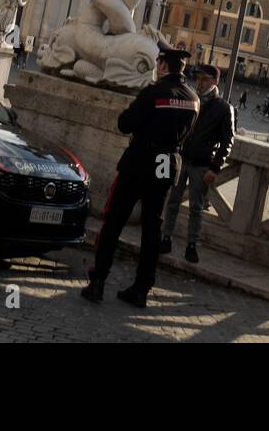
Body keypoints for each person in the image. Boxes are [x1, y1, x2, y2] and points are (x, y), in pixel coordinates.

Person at [82, 45, 199, 308]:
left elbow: (125, 124)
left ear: (163, 65)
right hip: (165, 163)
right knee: (151, 228)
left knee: (114, 220)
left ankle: (98, 281)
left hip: (141, 161)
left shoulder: (153, 92)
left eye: (159, 62)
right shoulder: (194, 99)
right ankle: (141, 289)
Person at [161, 64, 234, 265]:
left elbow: (228, 141)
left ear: (215, 82)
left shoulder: (223, 108)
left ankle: (191, 245)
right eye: (199, 79)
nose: (200, 83)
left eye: (205, 80)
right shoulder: (191, 99)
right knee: (172, 200)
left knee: (196, 207)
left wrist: (215, 167)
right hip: (181, 158)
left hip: (202, 164)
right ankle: (166, 237)